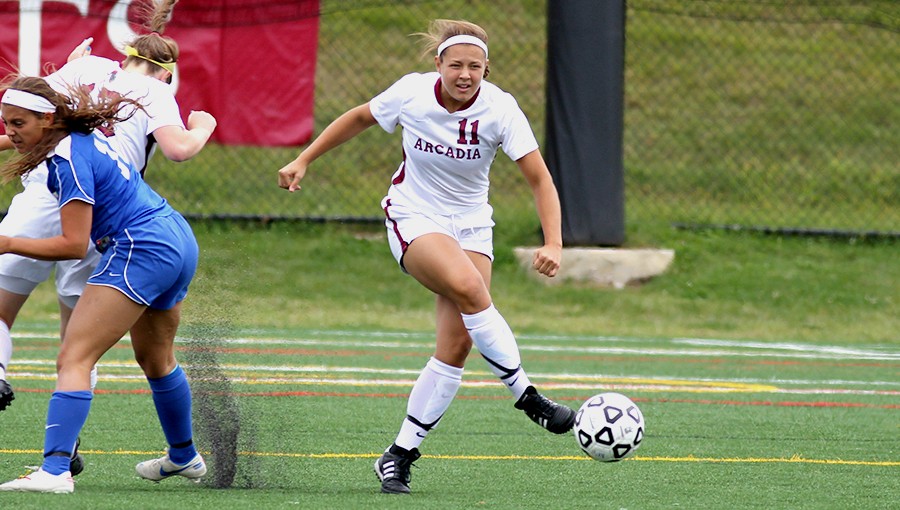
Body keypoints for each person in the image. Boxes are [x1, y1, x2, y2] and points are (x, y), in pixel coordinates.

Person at [278, 19, 575, 495]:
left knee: (456, 346)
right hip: (414, 215)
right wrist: (304, 158)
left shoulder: (501, 108)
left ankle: (398, 455)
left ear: (486, 69)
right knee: (471, 289)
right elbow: (358, 117)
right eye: (455, 65)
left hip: (472, 225)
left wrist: (553, 242)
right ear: (438, 64)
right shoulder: (412, 93)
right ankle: (527, 396)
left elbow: (540, 179)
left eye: (474, 67)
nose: (464, 74)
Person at [0, 0, 215, 419]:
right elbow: (178, 149)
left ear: (125, 57)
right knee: (78, 342)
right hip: (105, 215)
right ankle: (68, 441)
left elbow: (35, 120)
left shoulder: (85, 67)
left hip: (49, 189)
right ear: (167, 74)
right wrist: (203, 128)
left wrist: (69, 67)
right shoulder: (157, 91)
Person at [0, 72, 206, 494]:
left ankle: (55, 471)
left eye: (18, 123)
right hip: (175, 237)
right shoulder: (76, 139)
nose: (11, 132)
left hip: (142, 246)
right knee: (156, 359)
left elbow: (74, 245)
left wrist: (7, 242)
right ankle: (184, 455)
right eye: (6, 123)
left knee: (74, 357)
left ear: (48, 119)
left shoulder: (66, 159)